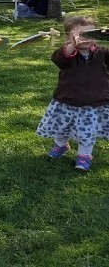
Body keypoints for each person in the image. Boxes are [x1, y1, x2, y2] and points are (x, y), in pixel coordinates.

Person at [36, 15, 109, 171]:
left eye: (90, 34)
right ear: (68, 37)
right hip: (66, 100)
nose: (85, 38)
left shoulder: (102, 53)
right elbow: (59, 60)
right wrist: (72, 46)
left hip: (92, 103)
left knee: (87, 132)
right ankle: (61, 145)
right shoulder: (65, 54)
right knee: (61, 127)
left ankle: (84, 155)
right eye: (80, 34)